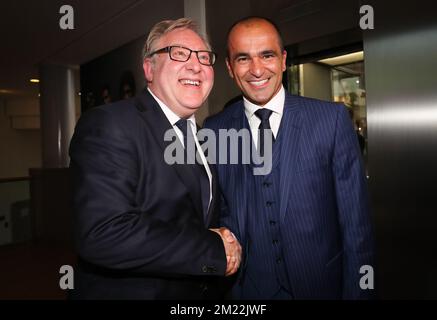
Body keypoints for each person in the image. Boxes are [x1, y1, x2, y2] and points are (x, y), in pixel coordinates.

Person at [69, 18, 241, 300]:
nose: (195, 65)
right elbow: (104, 233)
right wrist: (214, 248)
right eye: (179, 53)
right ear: (149, 68)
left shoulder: (203, 136)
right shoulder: (109, 123)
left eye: (203, 57)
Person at [204, 16, 375, 299]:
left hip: (320, 287)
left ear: (283, 60)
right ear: (230, 68)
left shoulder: (330, 120)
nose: (257, 69)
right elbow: (214, 212)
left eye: (267, 55)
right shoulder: (214, 129)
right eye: (243, 58)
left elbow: (356, 226)